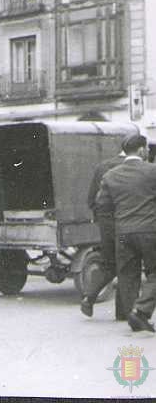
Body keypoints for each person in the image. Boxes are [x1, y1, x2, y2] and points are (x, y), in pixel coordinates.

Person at [96, 135, 156, 332]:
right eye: (146, 148)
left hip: (122, 232)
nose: (148, 151)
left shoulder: (110, 176)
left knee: (128, 274)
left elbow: (102, 205)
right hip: (149, 230)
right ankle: (141, 312)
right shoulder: (152, 171)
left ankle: (132, 313)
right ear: (140, 150)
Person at [80, 143, 126, 319]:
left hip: (107, 226)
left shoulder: (103, 167)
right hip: (127, 224)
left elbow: (91, 200)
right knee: (127, 266)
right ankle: (122, 312)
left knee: (109, 265)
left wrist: (103, 220)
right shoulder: (137, 169)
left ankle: (89, 297)